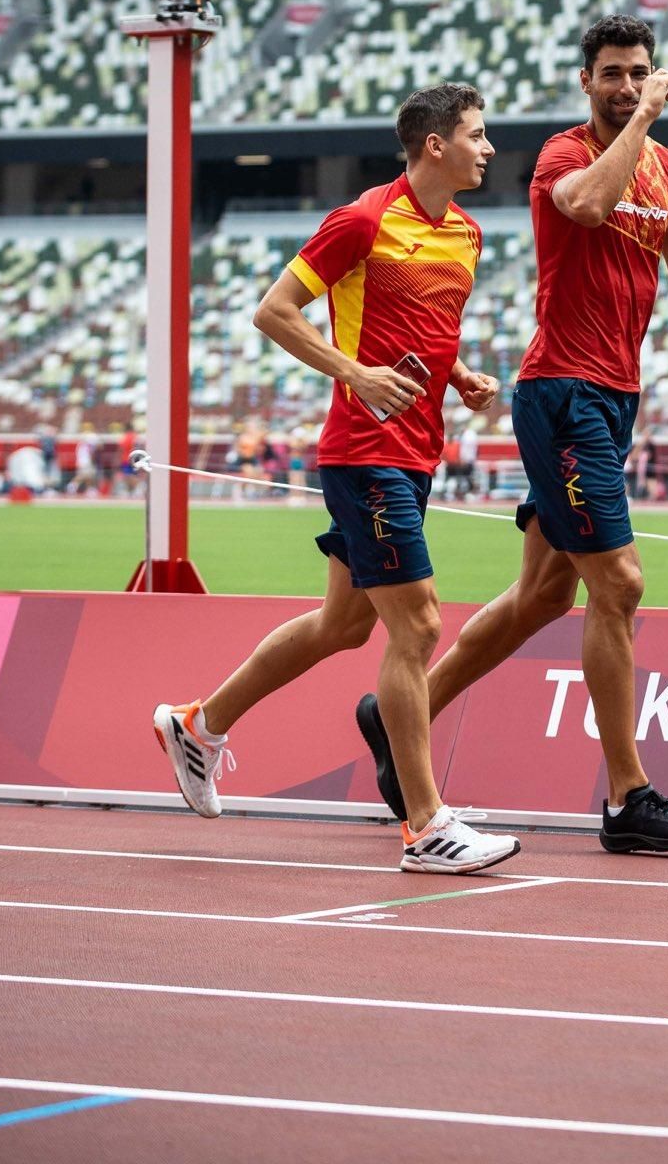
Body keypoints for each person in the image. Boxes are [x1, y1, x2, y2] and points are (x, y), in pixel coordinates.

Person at [359, 13, 668, 855]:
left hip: (614, 399)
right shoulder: (565, 156)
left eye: (639, 70)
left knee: (542, 596)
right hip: (563, 394)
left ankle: (393, 715)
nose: (627, 84)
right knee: (621, 586)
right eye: (611, 73)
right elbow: (590, 206)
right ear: (587, 82)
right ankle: (626, 799)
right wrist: (641, 122)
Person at [153, 82, 518, 876]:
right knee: (416, 627)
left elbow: (425, 328)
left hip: (416, 449)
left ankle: (197, 723)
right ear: (434, 144)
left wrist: (458, 377)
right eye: (477, 135)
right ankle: (426, 827)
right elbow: (274, 311)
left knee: (343, 625)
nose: (488, 148)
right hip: (363, 449)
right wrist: (356, 373)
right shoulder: (359, 221)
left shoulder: (466, 233)